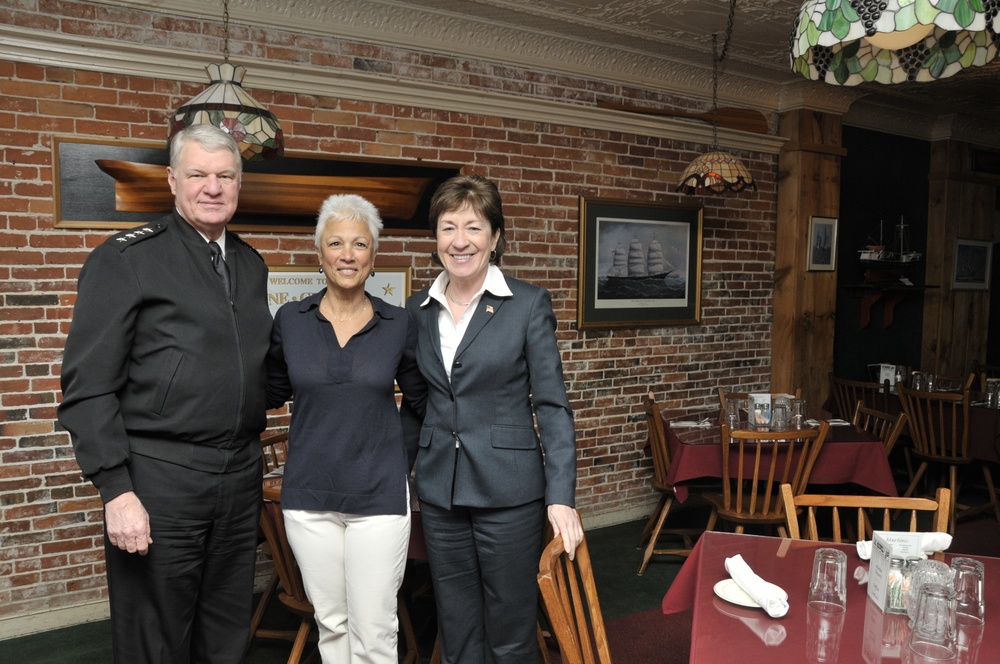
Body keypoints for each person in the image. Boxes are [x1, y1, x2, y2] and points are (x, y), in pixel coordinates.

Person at [58, 124, 272, 664]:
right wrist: (116, 490)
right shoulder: (127, 259)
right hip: (160, 481)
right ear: (173, 181)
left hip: (239, 478)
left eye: (225, 175)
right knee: (156, 641)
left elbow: (251, 368)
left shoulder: (250, 264)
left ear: (239, 184)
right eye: (198, 174)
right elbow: (87, 387)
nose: (212, 187)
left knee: (225, 636)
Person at [404, 174, 583, 663]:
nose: (459, 241)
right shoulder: (416, 310)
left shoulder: (526, 305)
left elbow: (552, 405)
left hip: (510, 493)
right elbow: (417, 403)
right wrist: (396, 475)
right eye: (447, 228)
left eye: (473, 227)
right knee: (458, 629)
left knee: (510, 630)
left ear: (495, 237)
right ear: (436, 238)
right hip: (441, 492)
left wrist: (561, 496)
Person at [266, 194, 426, 663]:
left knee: (375, 628)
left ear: (373, 258)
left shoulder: (398, 322)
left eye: (360, 244)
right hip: (308, 497)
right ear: (320, 254)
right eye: (336, 243)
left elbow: (423, 400)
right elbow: (267, 390)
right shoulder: (291, 321)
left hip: (377, 496)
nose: (348, 254)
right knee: (331, 623)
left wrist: (405, 457)